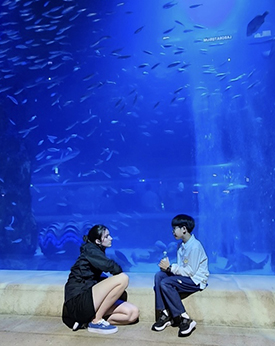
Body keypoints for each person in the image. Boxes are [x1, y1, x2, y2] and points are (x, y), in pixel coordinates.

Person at [62, 224, 139, 334]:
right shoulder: (90, 250)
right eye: (107, 236)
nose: (111, 238)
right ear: (98, 241)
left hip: (88, 302)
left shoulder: (96, 250)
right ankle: (96, 321)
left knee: (132, 313)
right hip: (78, 303)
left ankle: (87, 321)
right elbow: (111, 267)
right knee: (123, 278)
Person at [151, 214, 209, 337]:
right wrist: (167, 269)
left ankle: (185, 318)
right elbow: (181, 267)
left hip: (196, 280)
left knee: (166, 283)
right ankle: (165, 313)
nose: (173, 232)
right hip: (186, 277)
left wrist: (170, 268)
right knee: (159, 276)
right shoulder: (181, 245)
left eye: (174, 228)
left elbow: (190, 272)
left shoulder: (195, 246)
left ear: (184, 229)